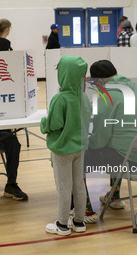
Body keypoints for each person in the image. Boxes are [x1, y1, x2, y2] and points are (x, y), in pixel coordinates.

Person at [83, 60, 137, 215]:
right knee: (116, 146)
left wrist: (86, 143)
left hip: (131, 161)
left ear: (99, 81)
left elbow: (99, 141)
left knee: (79, 156)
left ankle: (85, 209)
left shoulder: (108, 96)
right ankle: (114, 197)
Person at [41, 55, 92, 236]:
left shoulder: (59, 99)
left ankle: (62, 225)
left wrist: (43, 124)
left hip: (63, 150)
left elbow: (53, 124)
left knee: (64, 187)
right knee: (79, 185)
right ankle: (79, 221)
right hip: (80, 147)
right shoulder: (84, 98)